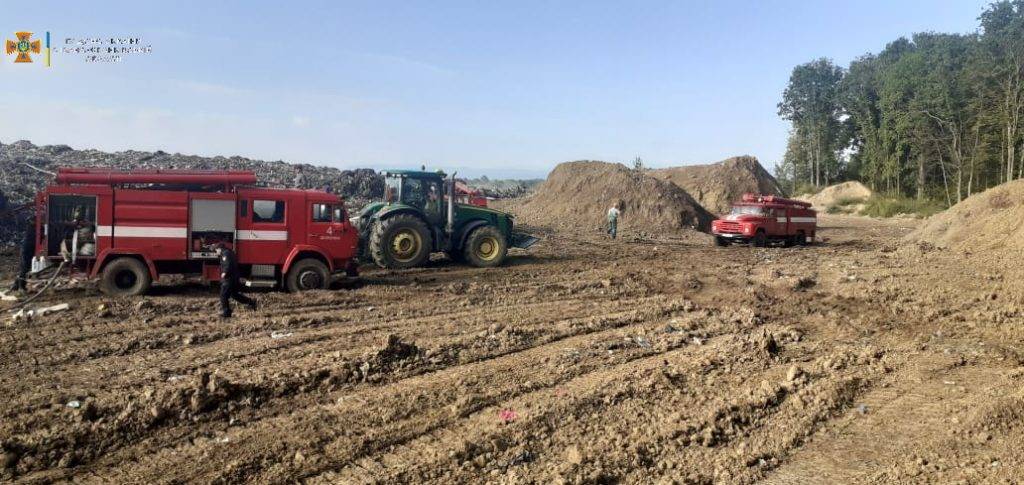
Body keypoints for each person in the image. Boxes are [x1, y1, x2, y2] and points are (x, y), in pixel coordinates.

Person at [216, 242, 257, 318]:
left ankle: (226, 312)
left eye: (216, 250)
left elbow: (228, 264)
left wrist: (224, 272)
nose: (216, 252)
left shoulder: (225, 254)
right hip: (234, 278)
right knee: (234, 294)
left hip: (229, 278)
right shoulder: (229, 252)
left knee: (223, 295)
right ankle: (251, 302)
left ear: (219, 249)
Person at [10, 216, 36, 293]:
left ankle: (16, 285)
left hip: (27, 249)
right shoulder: (32, 229)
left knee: (24, 267)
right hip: (27, 250)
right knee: (25, 267)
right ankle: (21, 286)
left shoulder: (32, 228)